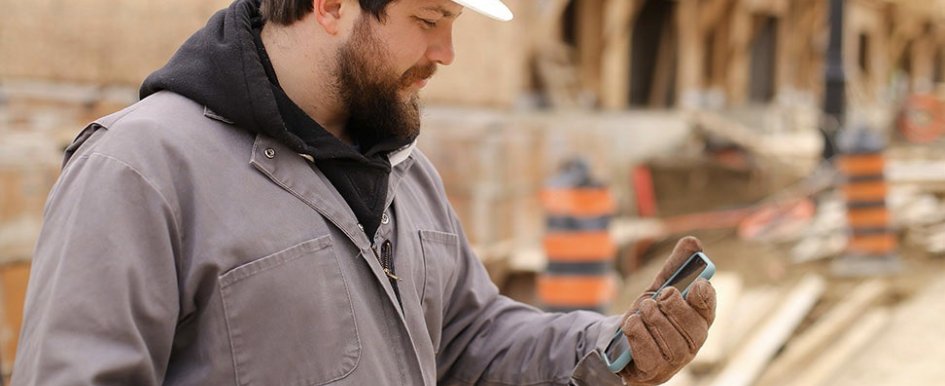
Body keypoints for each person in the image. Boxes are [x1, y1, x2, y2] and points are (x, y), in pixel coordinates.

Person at [12, 0, 716, 385]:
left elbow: (470, 339)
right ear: (329, 5)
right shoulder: (141, 169)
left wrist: (610, 349)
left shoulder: (403, 170)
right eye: (427, 20)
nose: (445, 53)